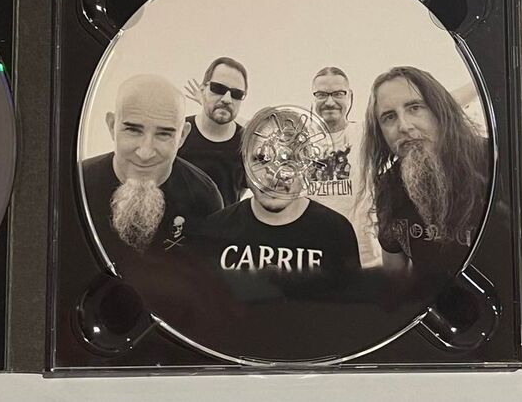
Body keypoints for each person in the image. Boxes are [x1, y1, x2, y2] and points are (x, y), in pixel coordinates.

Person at [200, 107, 361, 286]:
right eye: (261, 159)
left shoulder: (336, 232)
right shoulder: (215, 229)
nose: (274, 176)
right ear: (244, 163)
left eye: (289, 160)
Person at [361, 66, 490, 276]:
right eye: (389, 117)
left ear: (440, 110)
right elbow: (395, 275)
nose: (404, 126)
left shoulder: (493, 162)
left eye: (415, 107)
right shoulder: (389, 185)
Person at [81, 73, 223, 259]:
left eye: (163, 134)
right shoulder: (75, 183)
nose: (145, 152)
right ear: (111, 126)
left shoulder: (204, 198)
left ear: (182, 136)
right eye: (133, 130)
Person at [306, 67, 381, 268]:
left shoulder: (368, 134)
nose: (330, 102)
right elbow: (254, 130)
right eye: (321, 94)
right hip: (313, 260)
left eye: (338, 93)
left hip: (364, 261)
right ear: (313, 98)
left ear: (350, 97)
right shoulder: (299, 140)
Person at [179, 57, 250, 205]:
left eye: (237, 94)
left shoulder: (247, 143)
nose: (227, 99)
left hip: (224, 220)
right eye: (218, 88)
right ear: (202, 90)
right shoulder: (179, 132)